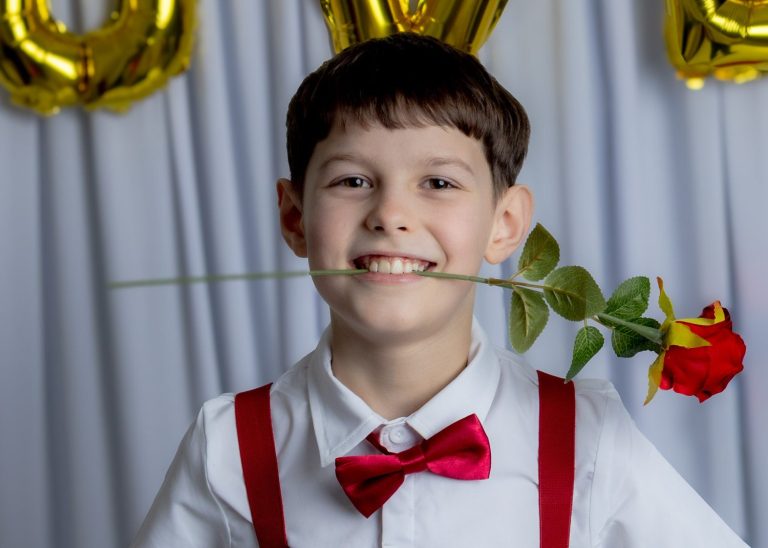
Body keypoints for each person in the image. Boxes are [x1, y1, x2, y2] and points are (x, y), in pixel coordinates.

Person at [132, 33, 748, 547]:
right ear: (294, 218)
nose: (390, 215)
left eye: (439, 183)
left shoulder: (588, 438)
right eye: (352, 180)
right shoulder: (228, 449)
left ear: (504, 224)